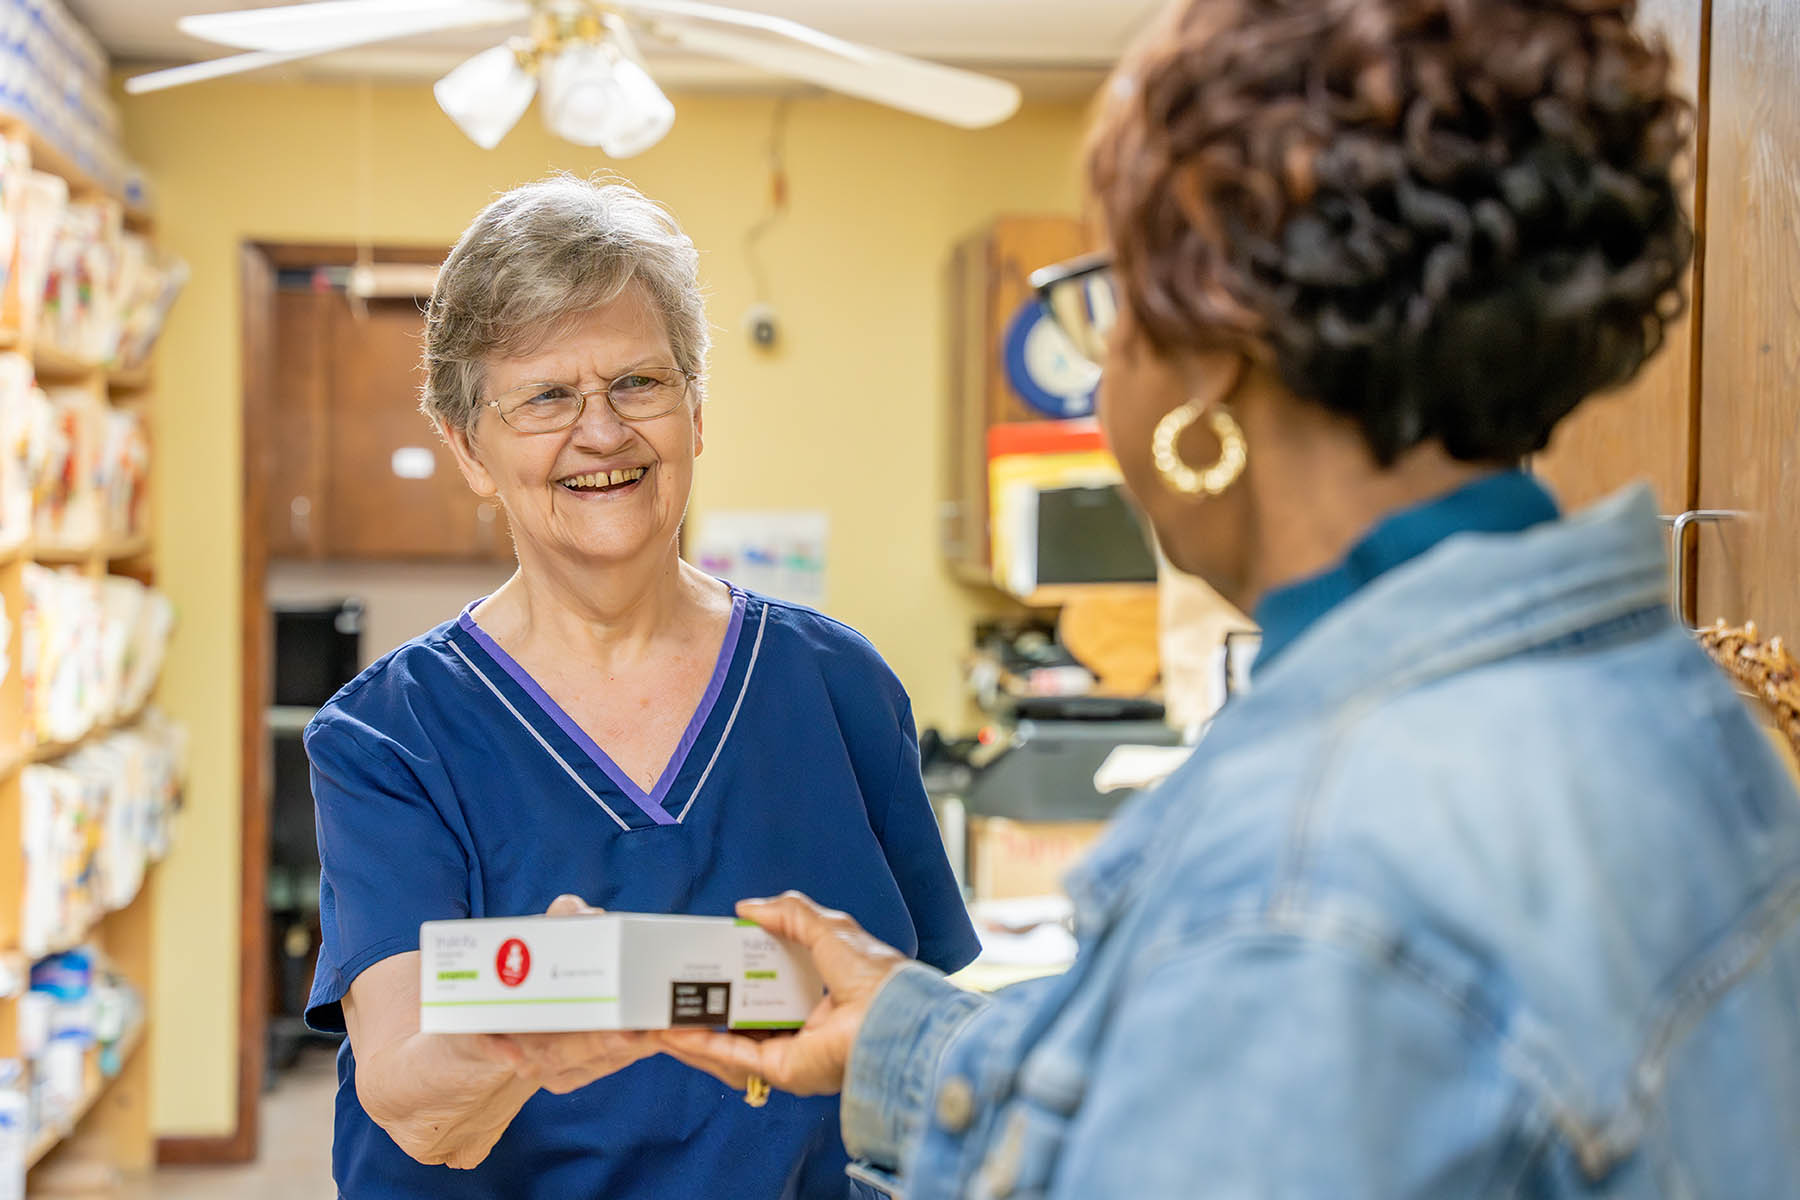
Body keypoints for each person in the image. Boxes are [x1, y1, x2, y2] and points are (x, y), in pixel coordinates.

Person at [661, 1, 1800, 1194]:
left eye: (1116, 307)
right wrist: (905, 1034)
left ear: (1211, 352)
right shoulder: (1660, 698)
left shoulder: (1312, 856)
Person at [301, 176, 979, 1199]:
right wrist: (520, 1036)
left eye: (639, 384)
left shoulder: (841, 691)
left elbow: (919, 1037)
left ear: (696, 413)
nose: (603, 432)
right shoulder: (390, 738)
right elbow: (412, 1100)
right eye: (544, 397)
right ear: (466, 449)